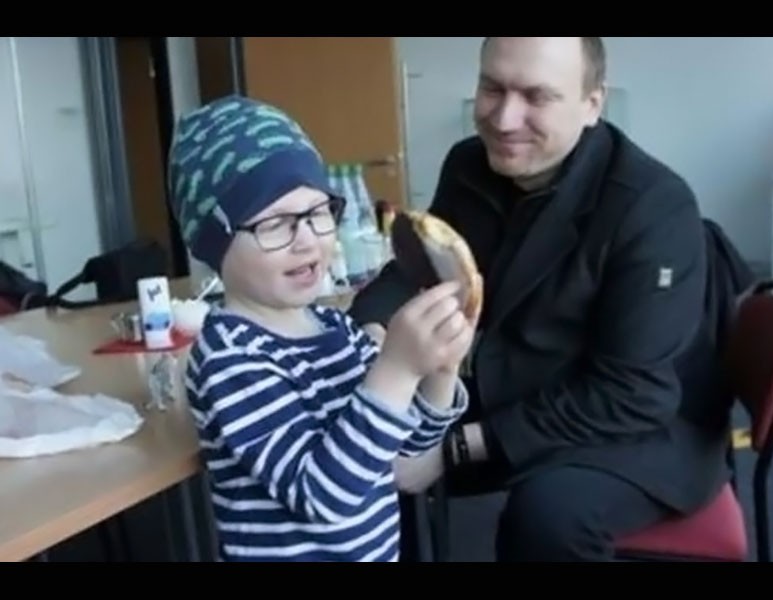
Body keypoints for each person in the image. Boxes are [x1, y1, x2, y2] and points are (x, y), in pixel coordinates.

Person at [348, 37, 735, 562]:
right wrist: (373, 331)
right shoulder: (471, 165)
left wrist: (452, 449)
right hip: (521, 383)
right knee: (360, 454)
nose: (505, 119)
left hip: (643, 425)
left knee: (548, 515)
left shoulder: (651, 207)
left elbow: (633, 394)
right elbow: (415, 269)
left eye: (537, 96)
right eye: (492, 88)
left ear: (592, 103)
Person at [166, 95, 476, 562]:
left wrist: (439, 370)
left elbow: (402, 451)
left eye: (317, 213)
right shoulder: (230, 356)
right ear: (215, 242)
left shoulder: (337, 328)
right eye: (275, 224)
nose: (308, 240)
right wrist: (395, 368)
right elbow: (325, 498)